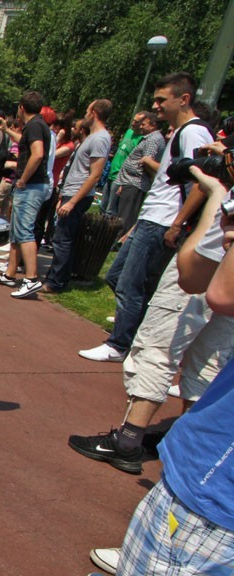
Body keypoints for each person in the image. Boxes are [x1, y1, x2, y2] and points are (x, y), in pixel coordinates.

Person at [83, 204, 234, 576]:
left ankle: (129, 439)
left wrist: (217, 207)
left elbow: (216, 288)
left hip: (214, 505)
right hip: (210, 487)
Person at [69, 165, 234, 475]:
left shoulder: (225, 203)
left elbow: (190, 276)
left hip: (207, 265)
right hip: (226, 284)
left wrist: (214, 194)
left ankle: (127, 441)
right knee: (210, 359)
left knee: (158, 347)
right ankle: (186, 444)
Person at [80, 72, 214, 362]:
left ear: (184, 99)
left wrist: (177, 223)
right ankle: (133, 331)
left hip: (163, 222)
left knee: (131, 284)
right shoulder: (180, 132)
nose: (155, 106)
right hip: (153, 218)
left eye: (161, 100)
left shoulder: (193, 133)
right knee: (118, 277)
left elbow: (201, 184)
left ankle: (120, 344)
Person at [0, 92, 52, 299]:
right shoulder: (37, 126)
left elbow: (37, 153)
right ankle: (10, 274)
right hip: (33, 185)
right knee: (17, 231)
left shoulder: (34, 126)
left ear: (22, 107)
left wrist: (23, 179)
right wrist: (7, 130)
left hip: (31, 185)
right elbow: (26, 143)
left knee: (24, 232)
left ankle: (31, 278)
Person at [43, 99, 113, 294]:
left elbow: (95, 174)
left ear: (94, 113)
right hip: (71, 192)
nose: (85, 115)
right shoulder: (93, 137)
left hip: (77, 195)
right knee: (63, 237)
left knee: (63, 239)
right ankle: (60, 277)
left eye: (87, 111)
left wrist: (72, 201)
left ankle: (56, 282)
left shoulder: (100, 139)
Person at [110, 112, 165, 234]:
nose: (140, 126)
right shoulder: (149, 138)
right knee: (120, 215)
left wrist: (136, 174)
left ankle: (120, 239)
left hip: (135, 184)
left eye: (144, 124)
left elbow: (148, 162)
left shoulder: (154, 140)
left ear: (153, 125)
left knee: (125, 218)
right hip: (129, 182)